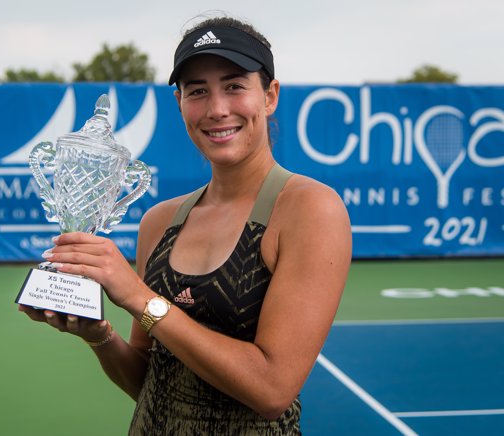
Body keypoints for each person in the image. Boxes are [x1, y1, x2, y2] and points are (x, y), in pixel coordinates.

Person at [19, 15, 352, 435]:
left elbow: (272, 391)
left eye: (234, 86)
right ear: (180, 103)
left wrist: (140, 298)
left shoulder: (310, 209)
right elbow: (147, 381)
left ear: (269, 96)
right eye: (197, 91)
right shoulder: (160, 221)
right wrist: (99, 334)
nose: (216, 109)